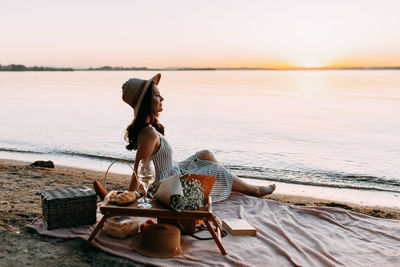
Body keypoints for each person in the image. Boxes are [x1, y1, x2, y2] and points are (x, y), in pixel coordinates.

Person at [122, 73, 275, 202]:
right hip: (169, 185)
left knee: (205, 154)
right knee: (214, 169)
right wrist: (131, 194)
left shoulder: (150, 128)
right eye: (156, 95)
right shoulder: (149, 134)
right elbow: (139, 169)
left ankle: (232, 183)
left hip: (174, 169)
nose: (162, 98)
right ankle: (253, 190)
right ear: (146, 103)